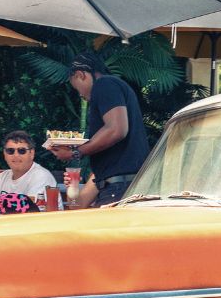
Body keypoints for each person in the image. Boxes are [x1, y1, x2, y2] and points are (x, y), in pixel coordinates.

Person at [46, 52, 150, 208]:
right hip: (120, 189)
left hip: (120, 190)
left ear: (81, 74)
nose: (80, 95)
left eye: (76, 88)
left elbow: (116, 130)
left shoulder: (104, 84)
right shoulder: (108, 170)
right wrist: (72, 188)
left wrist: (76, 152)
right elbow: (76, 206)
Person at [0, 130, 57, 214]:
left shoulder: (41, 176)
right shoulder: (1, 177)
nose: (16, 155)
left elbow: (29, 213)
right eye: (10, 151)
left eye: (22, 151)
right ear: (4, 154)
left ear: (31, 153)